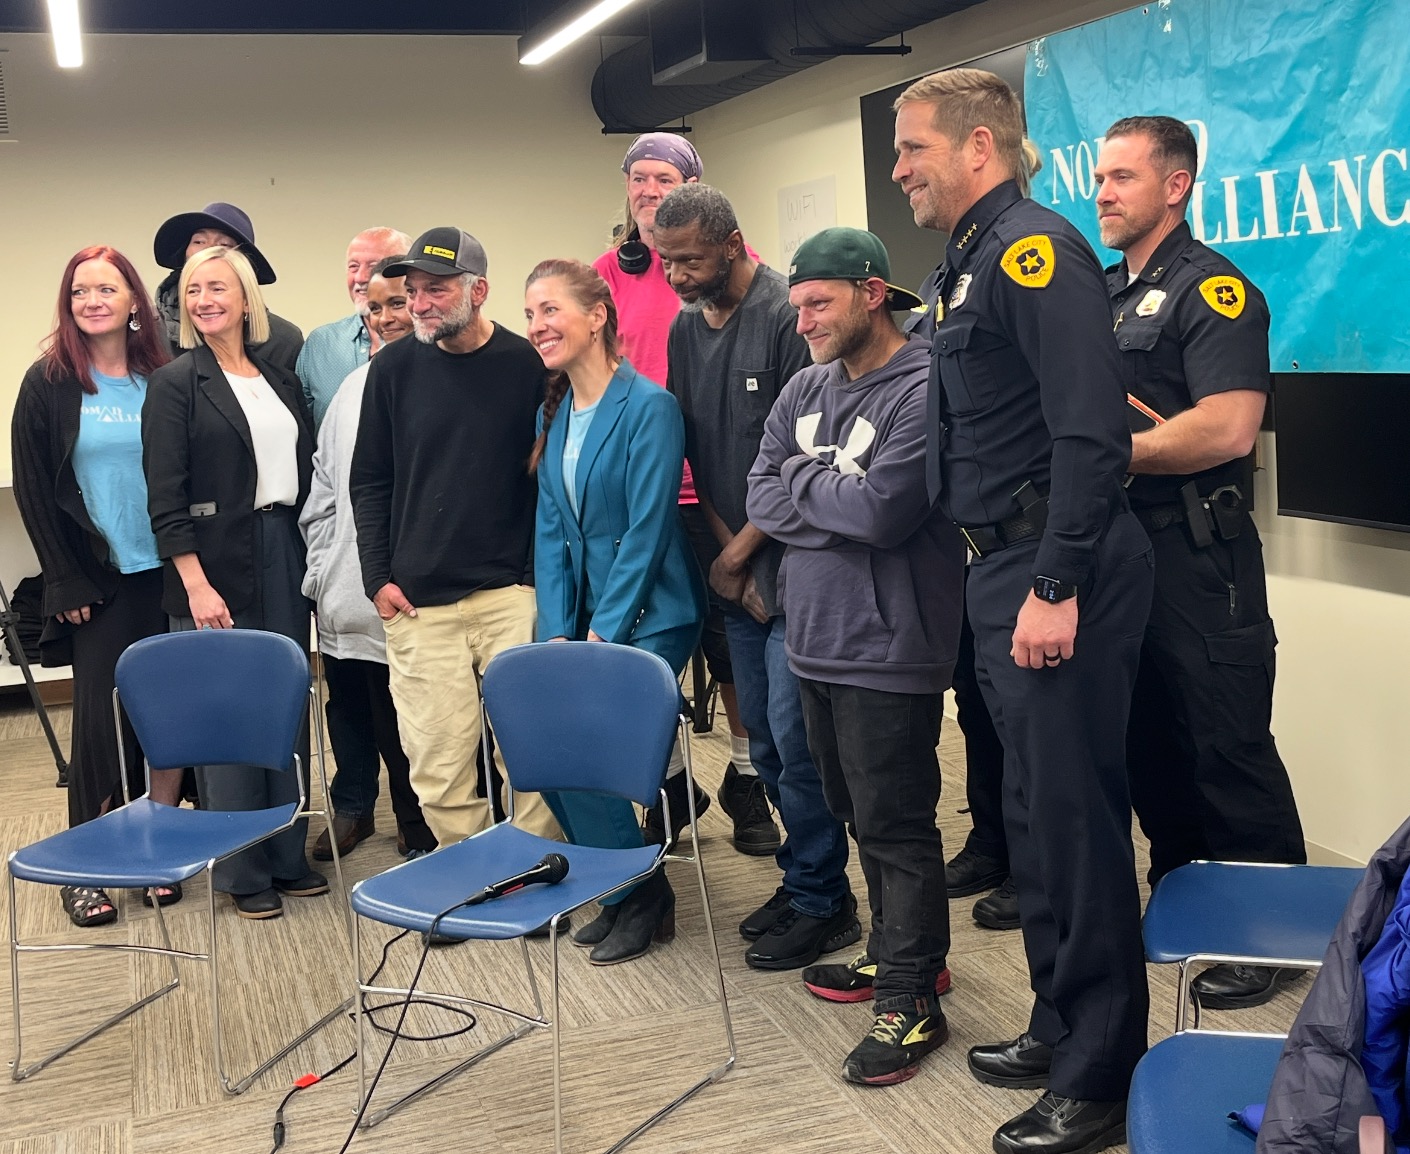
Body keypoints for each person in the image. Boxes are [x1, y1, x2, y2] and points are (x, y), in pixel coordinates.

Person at [893, 68, 1153, 1153]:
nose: (898, 169)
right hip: (1001, 567)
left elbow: (1092, 432)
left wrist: (1055, 584)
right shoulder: (970, 259)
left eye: (913, 148)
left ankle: (1101, 1072)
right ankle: (1059, 1021)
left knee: (1078, 821)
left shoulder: (1033, 250)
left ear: (978, 147)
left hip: (1055, 566)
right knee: (1036, 812)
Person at [1095, 115, 1306, 1009]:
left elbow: (1227, 428)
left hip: (1198, 552)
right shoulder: (1103, 292)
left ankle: (1270, 932)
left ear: (1175, 185)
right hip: (1122, 551)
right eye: (1099, 179)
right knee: (1147, 740)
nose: (1103, 194)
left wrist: (1104, 453)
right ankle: (1188, 899)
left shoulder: (1211, 291)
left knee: (1226, 743)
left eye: (1122, 178)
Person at [747, 227, 966, 1085]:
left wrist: (805, 484)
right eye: (796, 305)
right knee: (852, 811)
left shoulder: (925, 383)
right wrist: (830, 496)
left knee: (896, 823)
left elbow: (884, 513)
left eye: (819, 303)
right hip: (815, 637)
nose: (802, 321)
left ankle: (911, 1001)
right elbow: (760, 492)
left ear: (873, 294)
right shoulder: (806, 384)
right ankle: (902, 953)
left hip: (891, 642)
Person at [653, 183, 858, 972]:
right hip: (731, 561)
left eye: (690, 260)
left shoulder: (781, 316)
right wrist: (725, 554)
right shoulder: (684, 326)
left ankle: (826, 902)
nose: (677, 275)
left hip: (796, 562)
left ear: (733, 245)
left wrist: (741, 555)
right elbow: (699, 454)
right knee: (765, 746)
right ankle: (805, 879)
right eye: (668, 262)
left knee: (798, 742)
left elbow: (801, 458)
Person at [592, 132, 778, 856]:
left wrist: (738, 541)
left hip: (723, 495)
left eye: (663, 176)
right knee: (651, 643)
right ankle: (669, 786)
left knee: (732, 649)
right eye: (637, 177)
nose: (648, 188)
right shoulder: (606, 274)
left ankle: (746, 778)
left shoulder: (739, 280)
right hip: (647, 492)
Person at [350, 227, 561, 848]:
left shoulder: (527, 365)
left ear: (479, 291)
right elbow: (370, 481)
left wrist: (533, 578)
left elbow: (550, 479)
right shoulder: (391, 370)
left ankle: (533, 870)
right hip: (418, 605)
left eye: (435, 290)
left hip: (509, 596)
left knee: (531, 756)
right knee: (438, 768)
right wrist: (377, 578)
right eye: (412, 291)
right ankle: (470, 873)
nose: (418, 304)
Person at [525, 258, 705, 964]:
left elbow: (649, 529)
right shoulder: (556, 412)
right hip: (581, 618)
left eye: (550, 309)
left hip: (651, 612)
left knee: (586, 743)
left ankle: (637, 892)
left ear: (597, 315)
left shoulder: (649, 407)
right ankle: (628, 888)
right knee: (541, 740)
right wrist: (556, 636)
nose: (537, 325)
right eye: (530, 313)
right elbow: (552, 534)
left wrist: (604, 633)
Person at [142, 246, 326, 921]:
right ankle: (244, 871)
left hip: (284, 550)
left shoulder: (278, 377)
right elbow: (165, 497)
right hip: (213, 566)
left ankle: (287, 855)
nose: (204, 300)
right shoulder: (175, 383)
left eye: (217, 287)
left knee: (283, 705)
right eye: (194, 290)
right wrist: (194, 583)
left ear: (247, 299)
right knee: (226, 719)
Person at [11, 246, 182, 927]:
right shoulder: (49, 382)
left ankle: (152, 845)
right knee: (99, 726)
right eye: (80, 290)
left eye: (106, 288)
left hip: (169, 572)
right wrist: (65, 577)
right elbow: (33, 487)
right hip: (99, 580)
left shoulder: (161, 376)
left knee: (163, 716)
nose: (92, 301)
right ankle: (83, 865)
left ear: (134, 299)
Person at [300, 258, 435, 862]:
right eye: (374, 308)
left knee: (404, 716)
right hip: (345, 588)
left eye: (397, 303)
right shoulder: (352, 390)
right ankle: (353, 808)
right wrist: (322, 569)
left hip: (412, 593)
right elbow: (324, 488)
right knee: (349, 706)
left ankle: (415, 817)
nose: (385, 317)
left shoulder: (442, 380)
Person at [151, 201, 303, 372]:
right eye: (199, 241)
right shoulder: (148, 331)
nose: (208, 251)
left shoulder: (283, 342)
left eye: (224, 245)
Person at [296, 227, 412, 428]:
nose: (360, 277)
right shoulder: (320, 344)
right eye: (353, 266)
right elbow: (301, 427)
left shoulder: (433, 345)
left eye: (374, 266)